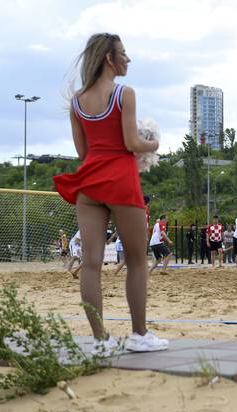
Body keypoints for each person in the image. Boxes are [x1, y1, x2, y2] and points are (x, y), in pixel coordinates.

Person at [53, 33, 168, 355]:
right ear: (109, 58)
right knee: (136, 260)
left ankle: (101, 341)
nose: (128, 59)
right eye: (124, 53)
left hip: (89, 182)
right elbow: (131, 144)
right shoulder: (123, 94)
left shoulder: (77, 101)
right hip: (120, 179)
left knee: (90, 264)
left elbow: (82, 151)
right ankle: (139, 335)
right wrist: (153, 145)